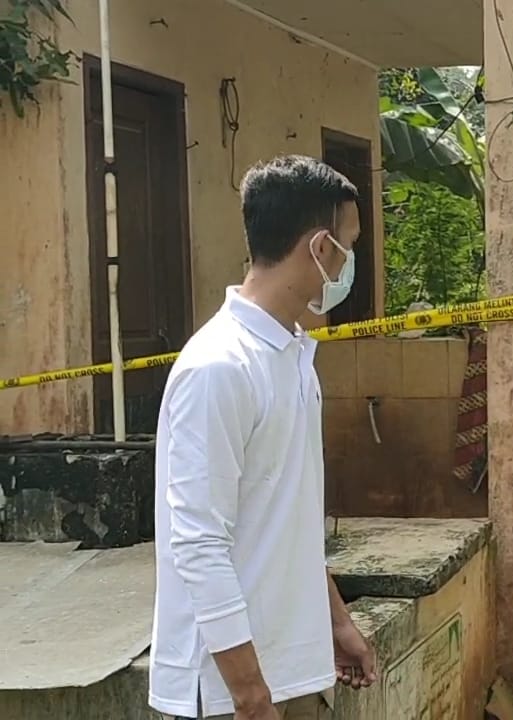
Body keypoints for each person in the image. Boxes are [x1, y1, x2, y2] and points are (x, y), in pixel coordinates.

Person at [150, 155, 377, 720]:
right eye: (350, 246)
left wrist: (335, 620)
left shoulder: (294, 354)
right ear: (321, 249)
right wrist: (250, 698)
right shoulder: (219, 367)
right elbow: (199, 545)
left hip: (290, 671)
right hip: (232, 692)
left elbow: (285, 518)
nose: (351, 265)